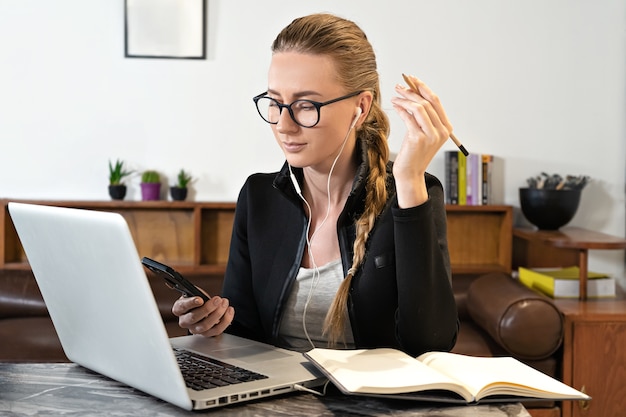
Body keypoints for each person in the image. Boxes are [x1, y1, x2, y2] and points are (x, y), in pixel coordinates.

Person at [173, 12, 458, 357]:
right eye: (276, 103)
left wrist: (410, 180)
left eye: (306, 106)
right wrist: (214, 323)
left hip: (371, 405)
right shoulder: (258, 196)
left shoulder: (411, 192)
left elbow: (431, 343)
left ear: (360, 107)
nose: (283, 125)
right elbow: (247, 332)